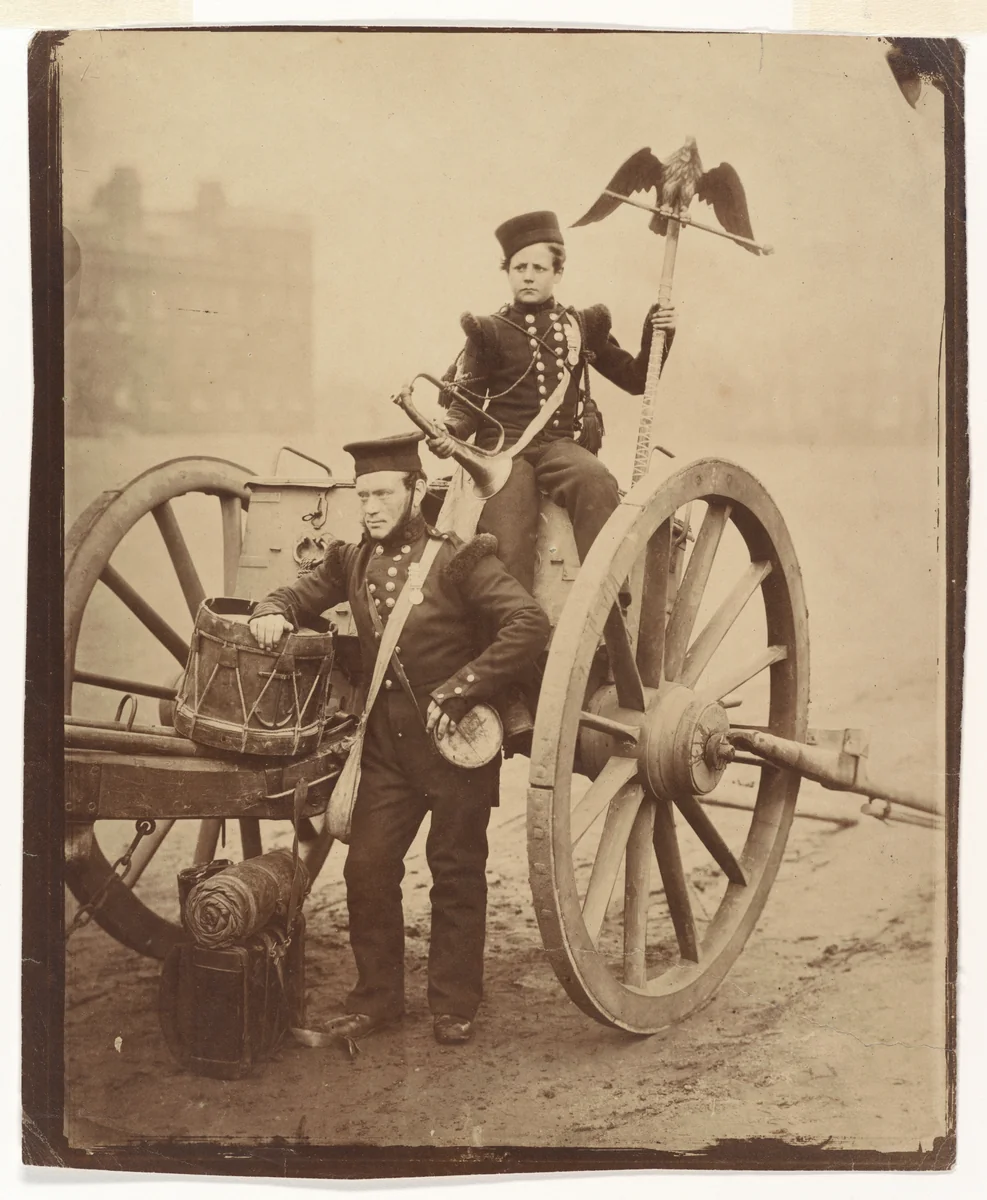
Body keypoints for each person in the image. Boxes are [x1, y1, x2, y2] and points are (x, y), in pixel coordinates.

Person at [249, 433, 550, 1046]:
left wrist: (464, 687)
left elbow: (528, 622)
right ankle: (379, 999)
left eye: (384, 493)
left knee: (457, 870)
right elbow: (297, 594)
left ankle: (454, 1003)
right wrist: (271, 609)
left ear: (416, 492)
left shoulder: (459, 559)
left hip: (455, 745)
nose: (372, 508)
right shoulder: (351, 560)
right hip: (387, 750)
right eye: (363, 496)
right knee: (366, 868)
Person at [427, 209, 677, 595]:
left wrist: (657, 333)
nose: (528, 275)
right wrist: (448, 433)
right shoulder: (487, 331)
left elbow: (634, 379)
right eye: (519, 267)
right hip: (504, 453)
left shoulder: (581, 326)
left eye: (539, 268)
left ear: (558, 273)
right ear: (507, 271)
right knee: (508, 534)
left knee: (596, 479)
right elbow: (466, 408)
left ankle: (607, 592)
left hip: (559, 447)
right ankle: (514, 624)